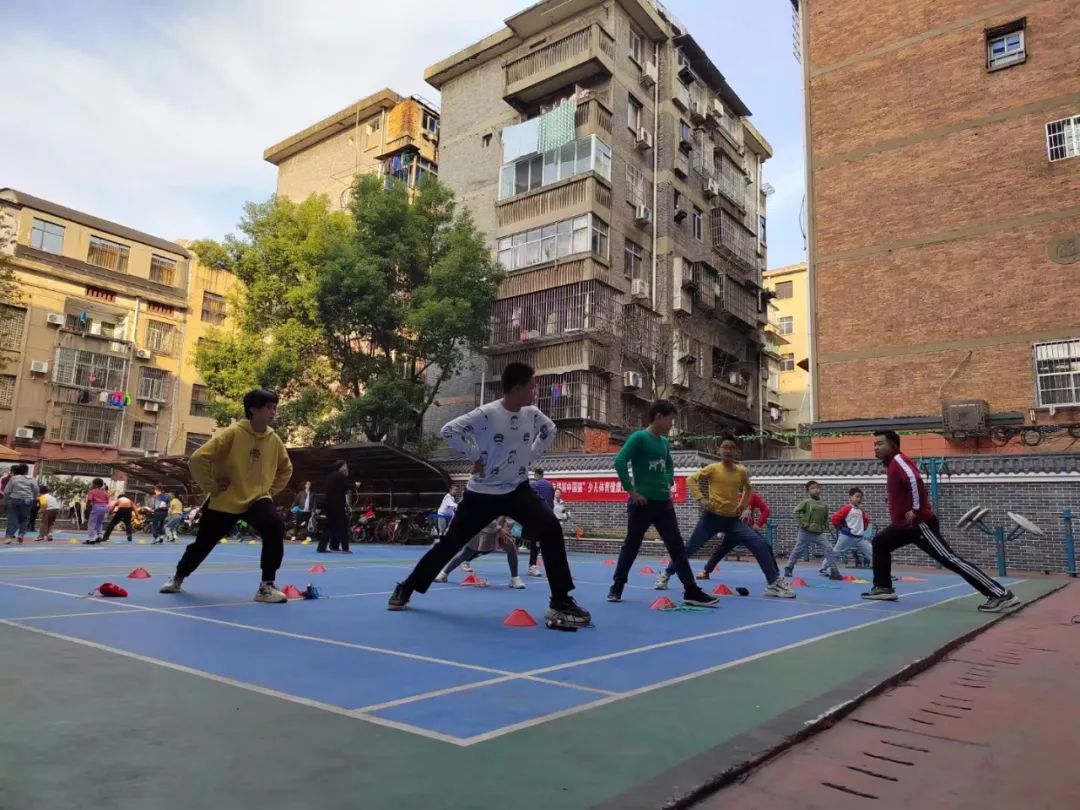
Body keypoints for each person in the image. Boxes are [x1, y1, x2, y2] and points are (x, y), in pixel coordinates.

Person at [388, 362, 590, 629]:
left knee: (551, 528)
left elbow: (549, 429)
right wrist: (475, 456)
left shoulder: (532, 413)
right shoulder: (487, 414)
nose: (536, 391)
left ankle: (560, 600)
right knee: (450, 543)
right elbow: (448, 430)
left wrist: (530, 456)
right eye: (532, 386)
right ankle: (407, 587)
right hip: (482, 493)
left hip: (517, 489)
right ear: (517, 388)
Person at [159, 389, 294, 604]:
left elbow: (286, 469)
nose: (273, 412)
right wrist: (212, 487)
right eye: (268, 408)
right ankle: (178, 577)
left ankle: (266, 587)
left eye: (274, 408)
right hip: (226, 499)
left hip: (257, 499)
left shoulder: (274, 440)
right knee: (203, 544)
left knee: (274, 526)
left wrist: (268, 491)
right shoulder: (233, 433)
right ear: (253, 409)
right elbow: (197, 459)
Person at [862, 431, 1019, 612]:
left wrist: (916, 509)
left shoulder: (898, 460)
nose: (876, 447)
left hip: (919, 525)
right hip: (903, 527)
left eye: (880, 444)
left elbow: (914, 479)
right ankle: (883, 587)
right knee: (880, 542)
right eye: (874, 444)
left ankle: (1000, 594)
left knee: (950, 559)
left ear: (893, 446)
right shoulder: (892, 464)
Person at [608, 400, 718, 606]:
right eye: (670, 419)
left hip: (664, 504)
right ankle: (617, 587)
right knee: (631, 546)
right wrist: (631, 491)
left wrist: (668, 480)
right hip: (642, 503)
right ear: (658, 416)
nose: (672, 424)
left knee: (677, 547)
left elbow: (668, 465)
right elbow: (619, 461)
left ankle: (691, 590)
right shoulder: (639, 438)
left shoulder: (664, 443)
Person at [655, 436, 793, 599]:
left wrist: (742, 505)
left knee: (760, 544)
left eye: (731, 448)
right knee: (690, 548)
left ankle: (773, 584)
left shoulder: (741, 471)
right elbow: (691, 479)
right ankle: (666, 574)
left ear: (736, 452)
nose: (728, 450)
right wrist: (701, 499)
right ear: (719, 450)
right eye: (725, 447)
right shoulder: (713, 468)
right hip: (711, 519)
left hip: (732, 520)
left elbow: (748, 489)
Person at [694, 489, 772, 581]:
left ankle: (775, 576)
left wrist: (758, 523)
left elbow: (766, 510)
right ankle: (706, 571)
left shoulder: (752, 496)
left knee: (766, 547)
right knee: (721, 551)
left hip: (749, 531)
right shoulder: (729, 497)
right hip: (734, 531)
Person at [435, 517, 525, 588]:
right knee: (467, 553)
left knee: (510, 546)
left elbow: (510, 518)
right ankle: (444, 574)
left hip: (501, 529)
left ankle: (515, 578)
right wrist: (499, 529)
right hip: (482, 527)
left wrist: (506, 530)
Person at [785, 481, 843, 581]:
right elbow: (796, 512)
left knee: (829, 549)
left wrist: (823, 526)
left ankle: (834, 571)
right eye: (812, 488)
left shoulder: (824, 505)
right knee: (798, 550)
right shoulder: (806, 502)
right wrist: (803, 524)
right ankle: (789, 568)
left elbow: (825, 517)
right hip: (805, 532)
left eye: (817, 488)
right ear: (808, 491)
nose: (816, 490)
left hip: (819, 533)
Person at [825, 488, 872, 571]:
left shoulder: (861, 511)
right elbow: (835, 518)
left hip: (860, 538)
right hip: (847, 537)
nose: (859, 499)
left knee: (872, 552)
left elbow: (865, 522)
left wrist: (863, 528)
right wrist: (841, 527)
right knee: (836, 552)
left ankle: (883, 571)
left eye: (861, 497)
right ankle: (824, 568)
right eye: (857, 496)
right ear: (850, 497)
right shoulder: (847, 508)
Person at [526, 468, 555, 577]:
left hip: (537, 516)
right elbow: (551, 501)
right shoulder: (550, 485)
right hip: (548, 516)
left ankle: (532, 566)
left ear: (536, 475)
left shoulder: (534, 485)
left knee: (536, 542)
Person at [318, 461, 353, 554]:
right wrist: (355, 486)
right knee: (343, 525)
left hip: (329, 504)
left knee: (330, 526)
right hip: (338, 504)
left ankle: (324, 547)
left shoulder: (329, 476)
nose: (346, 467)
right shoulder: (341, 476)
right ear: (340, 467)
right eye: (345, 466)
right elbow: (345, 487)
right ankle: (345, 547)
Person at [3, 464, 38, 544]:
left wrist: (6, 500)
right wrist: (32, 498)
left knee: (12, 518)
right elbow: (36, 490)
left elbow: (7, 491)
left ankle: (8, 537)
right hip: (27, 500)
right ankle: (21, 534)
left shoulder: (14, 478)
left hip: (14, 499)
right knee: (24, 518)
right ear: (27, 471)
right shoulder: (32, 479)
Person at [84, 479, 111, 544]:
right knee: (99, 522)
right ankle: (99, 536)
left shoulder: (92, 491)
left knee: (91, 523)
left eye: (93, 484)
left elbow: (89, 500)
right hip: (104, 507)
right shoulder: (105, 492)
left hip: (96, 507)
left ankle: (91, 538)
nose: (92, 485)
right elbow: (108, 501)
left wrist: (87, 508)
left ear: (96, 484)